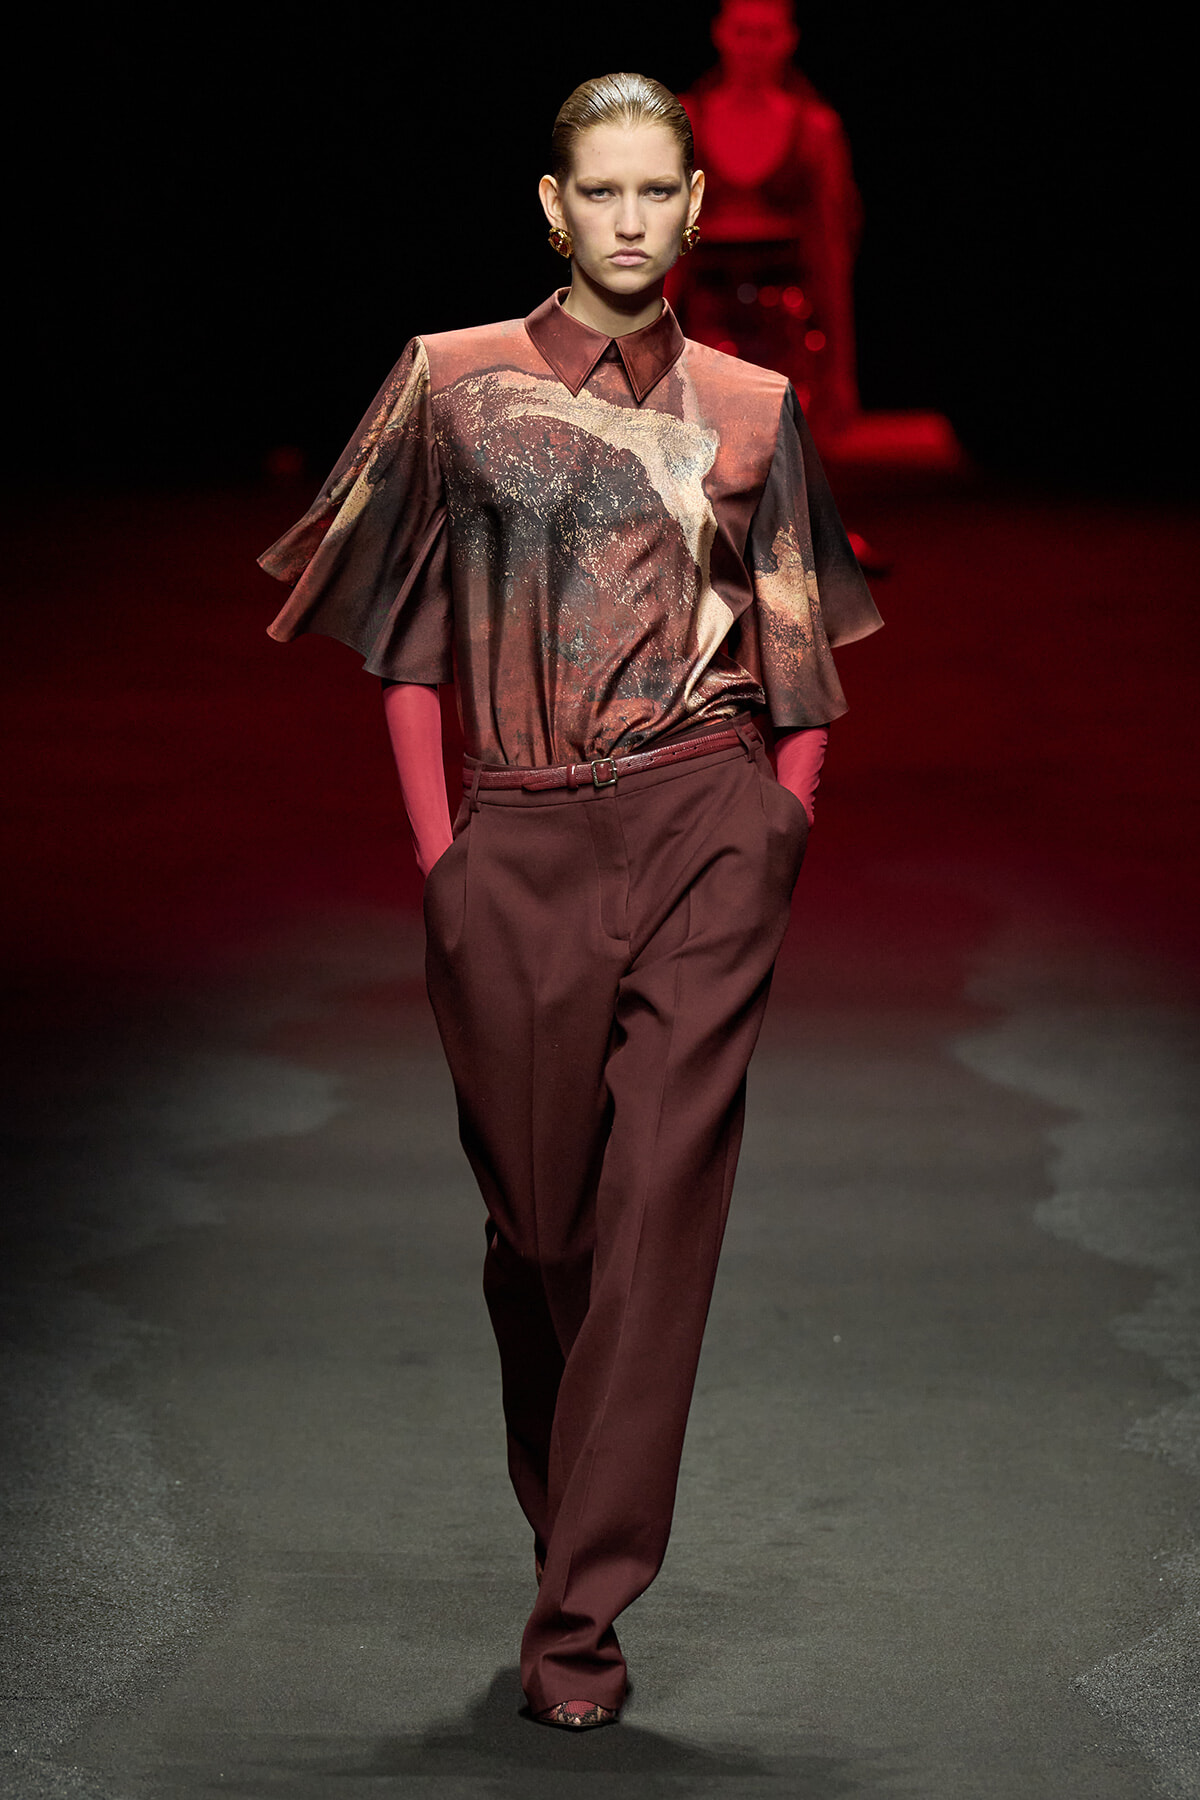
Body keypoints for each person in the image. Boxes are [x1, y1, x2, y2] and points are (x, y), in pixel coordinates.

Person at [258, 70, 882, 1732]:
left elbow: (805, 665)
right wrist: (440, 859)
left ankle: (581, 1624)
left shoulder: (753, 408)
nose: (626, 220)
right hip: (511, 847)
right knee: (543, 1230)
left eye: (653, 193)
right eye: (596, 192)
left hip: (699, 829)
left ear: (691, 207)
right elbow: (399, 647)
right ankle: (568, 1537)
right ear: (554, 206)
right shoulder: (450, 386)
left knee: (661, 1218)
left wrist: (773, 836)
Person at [670, 0, 862, 442]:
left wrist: (840, 370)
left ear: (789, 39)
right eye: (742, 32)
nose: (753, 48)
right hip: (707, 317)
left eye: (766, 34)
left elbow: (832, 248)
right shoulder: (687, 122)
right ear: (720, 33)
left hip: (789, 320)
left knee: (781, 455)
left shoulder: (815, 129)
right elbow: (664, 243)